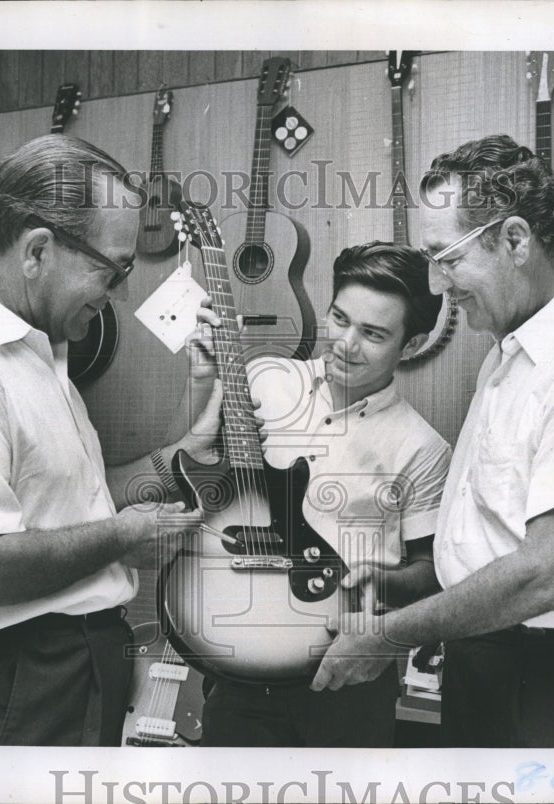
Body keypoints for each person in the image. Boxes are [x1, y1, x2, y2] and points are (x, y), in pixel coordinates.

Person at [312, 134, 554, 748]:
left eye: (446, 258)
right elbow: (503, 539)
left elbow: (549, 574)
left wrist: (386, 636)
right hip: (494, 667)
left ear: (514, 240)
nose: (434, 284)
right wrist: (414, 583)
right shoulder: (512, 351)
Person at [0, 134, 222, 746]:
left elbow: (68, 506)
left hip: (55, 678)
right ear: (36, 251)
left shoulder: (36, 354)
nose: (122, 294)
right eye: (114, 270)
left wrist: (185, 447)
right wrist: (127, 534)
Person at [183, 242, 452, 747]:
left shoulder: (424, 448)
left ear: (411, 346)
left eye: (373, 334)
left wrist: (379, 584)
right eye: (340, 319)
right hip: (240, 661)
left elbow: (431, 573)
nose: (346, 344)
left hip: (346, 678)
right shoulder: (263, 384)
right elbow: (190, 470)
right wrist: (202, 383)